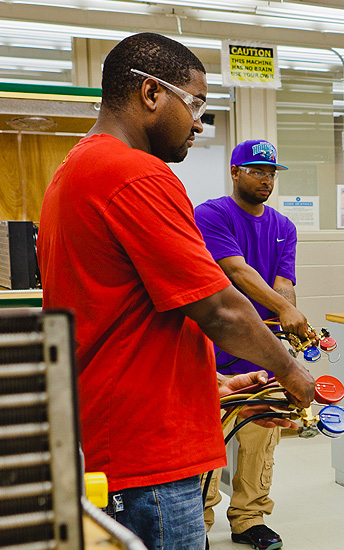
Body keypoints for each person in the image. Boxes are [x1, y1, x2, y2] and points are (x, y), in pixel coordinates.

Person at [37, 33, 314, 550]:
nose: (199, 121)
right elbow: (221, 309)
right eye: (195, 103)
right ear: (150, 93)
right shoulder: (137, 173)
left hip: (116, 428)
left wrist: (208, 382)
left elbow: (124, 314)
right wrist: (292, 372)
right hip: (148, 451)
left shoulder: (75, 169)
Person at [195, 139, 304, 550]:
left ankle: (248, 518)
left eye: (272, 172)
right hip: (215, 349)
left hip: (262, 352)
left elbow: (283, 282)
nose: (266, 178)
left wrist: (288, 323)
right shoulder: (211, 215)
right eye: (258, 170)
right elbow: (236, 271)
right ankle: (199, 522)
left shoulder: (284, 227)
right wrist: (281, 308)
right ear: (235, 171)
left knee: (261, 440)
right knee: (210, 443)